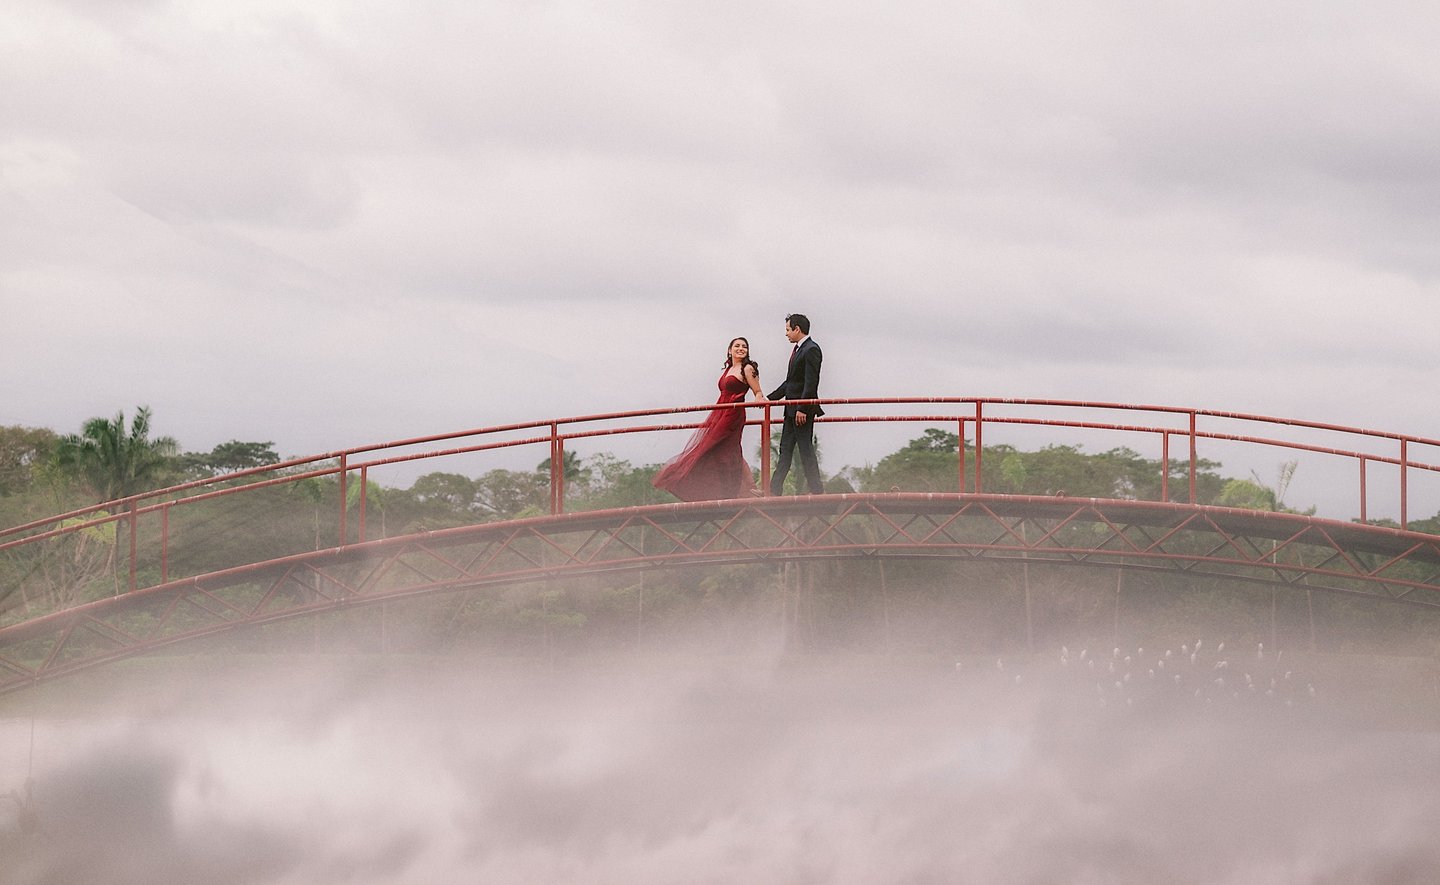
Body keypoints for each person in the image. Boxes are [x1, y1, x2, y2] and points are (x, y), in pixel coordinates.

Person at [653, 337, 766, 501]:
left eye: (744, 346)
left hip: (733, 414)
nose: (741, 349)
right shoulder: (729, 368)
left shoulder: (747, 368)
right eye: (737, 346)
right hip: (720, 411)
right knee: (728, 449)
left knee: (713, 446)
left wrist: (759, 398)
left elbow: (758, 391)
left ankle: (739, 489)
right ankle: (748, 488)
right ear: (730, 350)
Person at [767, 313, 825, 495]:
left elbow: (811, 383)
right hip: (791, 410)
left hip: (801, 411)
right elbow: (790, 384)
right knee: (785, 450)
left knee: (805, 450)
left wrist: (802, 408)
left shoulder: (811, 349)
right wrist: (769, 400)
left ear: (797, 329)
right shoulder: (798, 350)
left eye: (788, 330)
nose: (786, 334)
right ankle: (774, 490)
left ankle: (817, 490)